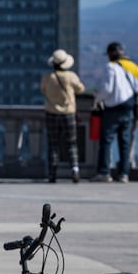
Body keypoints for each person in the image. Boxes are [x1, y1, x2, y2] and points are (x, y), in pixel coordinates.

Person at [92, 42, 138, 183]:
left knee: (106, 141)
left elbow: (107, 89)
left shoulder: (111, 67)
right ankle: (124, 173)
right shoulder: (134, 68)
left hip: (113, 107)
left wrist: (98, 99)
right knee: (125, 142)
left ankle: (104, 172)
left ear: (110, 54)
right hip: (129, 107)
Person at [40, 49, 85, 183]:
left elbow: (43, 90)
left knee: (53, 144)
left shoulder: (48, 77)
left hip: (51, 113)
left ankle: (52, 173)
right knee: (71, 143)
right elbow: (80, 89)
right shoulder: (71, 76)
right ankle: (75, 169)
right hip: (68, 113)